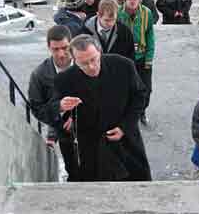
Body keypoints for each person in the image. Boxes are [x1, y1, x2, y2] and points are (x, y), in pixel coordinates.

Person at [50, 34, 151, 181]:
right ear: (74, 60)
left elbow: (139, 96)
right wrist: (62, 109)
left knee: (137, 186)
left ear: (100, 52)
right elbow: (53, 110)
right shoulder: (63, 80)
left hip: (126, 142)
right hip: (91, 148)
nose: (91, 67)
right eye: (84, 63)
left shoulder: (124, 66)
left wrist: (125, 127)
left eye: (94, 60)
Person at [28, 25, 79, 181]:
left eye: (65, 48)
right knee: (75, 172)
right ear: (48, 48)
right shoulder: (39, 75)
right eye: (55, 49)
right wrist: (59, 108)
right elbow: (37, 109)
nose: (61, 54)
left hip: (94, 129)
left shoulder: (84, 62)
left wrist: (77, 118)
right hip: (65, 134)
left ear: (71, 44)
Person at [118, 0, 155, 125]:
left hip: (142, 57)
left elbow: (150, 35)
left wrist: (149, 57)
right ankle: (128, 115)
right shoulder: (119, 14)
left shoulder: (147, 13)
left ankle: (141, 111)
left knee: (146, 89)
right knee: (126, 89)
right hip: (125, 58)